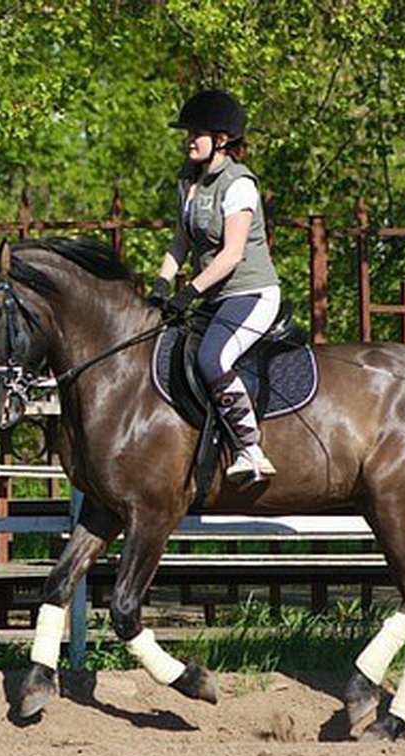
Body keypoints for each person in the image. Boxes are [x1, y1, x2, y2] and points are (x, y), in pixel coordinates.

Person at [150, 88, 282, 484]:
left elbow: (231, 254)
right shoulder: (187, 181)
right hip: (214, 296)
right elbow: (182, 239)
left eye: (198, 133)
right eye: (188, 132)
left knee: (213, 359)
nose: (189, 139)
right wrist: (161, 283)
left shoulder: (239, 184)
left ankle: (250, 449)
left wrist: (188, 291)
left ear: (221, 140)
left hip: (251, 293)